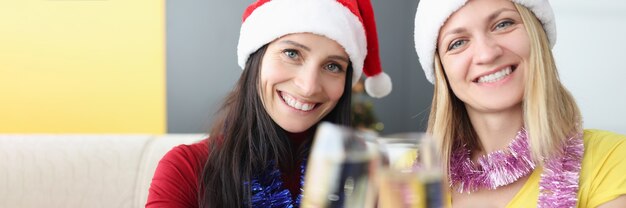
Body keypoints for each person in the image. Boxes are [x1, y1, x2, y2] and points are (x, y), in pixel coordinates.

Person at [146, 0, 392, 207]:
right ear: (257, 58)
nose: (308, 86)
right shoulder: (185, 169)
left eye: (332, 66)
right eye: (292, 53)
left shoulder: (365, 174)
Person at [413, 0, 626, 207]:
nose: (487, 54)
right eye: (457, 43)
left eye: (503, 24)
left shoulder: (612, 159)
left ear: (536, 33)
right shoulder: (404, 173)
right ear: (442, 70)